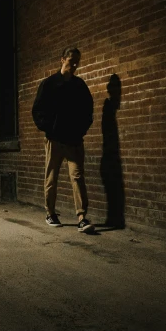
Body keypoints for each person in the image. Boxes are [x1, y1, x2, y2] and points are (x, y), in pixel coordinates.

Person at [32, 46, 95, 232]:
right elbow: (37, 111)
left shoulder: (79, 85)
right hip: (54, 140)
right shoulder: (49, 84)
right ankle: (50, 213)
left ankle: (82, 218)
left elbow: (88, 111)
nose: (74, 65)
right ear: (62, 60)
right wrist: (50, 129)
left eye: (77, 62)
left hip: (74, 140)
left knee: (77, 177)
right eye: (71, 61)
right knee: (51, 177)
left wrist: (81, 131)